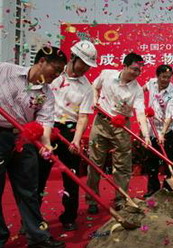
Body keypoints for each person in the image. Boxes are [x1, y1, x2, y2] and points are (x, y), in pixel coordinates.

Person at [0, 46, 67, 248]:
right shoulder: (5, 70)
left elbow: (46, 122)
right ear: (41, 62)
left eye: (59, 73)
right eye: (54, 70)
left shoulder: (47, 94)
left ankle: (37, 237)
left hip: (24, 140)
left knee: (29, 190)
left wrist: (46, 145)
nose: (55, 76)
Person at [37, 40, 97, 231]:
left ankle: (69, 217)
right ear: (73, 58)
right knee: (39, 176)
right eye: (83, 64)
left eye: (89, 66)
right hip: (45, 127)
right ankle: (31, 219)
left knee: (71, 178)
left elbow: (83, 117)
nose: (86, 69)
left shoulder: (86, 87)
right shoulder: (52, 75)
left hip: (68, 130)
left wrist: (76, 140)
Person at [86, 52, 150, 214]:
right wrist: (94, 99)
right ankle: (92, 199)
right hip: (101, 122)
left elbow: (140, 113)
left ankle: (120, 199)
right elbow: (94, 86)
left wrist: (146, 135)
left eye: (139, 70)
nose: (137, 73)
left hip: (122, 127)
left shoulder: (136, 89)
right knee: (95, 162)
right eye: (134, 69)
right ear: (125, 66)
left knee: (123, 165)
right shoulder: (107, 74)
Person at [143, 65, 173, 197]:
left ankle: (167, 189)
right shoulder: (152, 83)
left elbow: (170, 116)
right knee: (151, 161)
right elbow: (141, 90)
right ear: (157, 76)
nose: (166, 80)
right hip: (151, 129)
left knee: (169, 160)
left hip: (167, 131)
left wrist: (162, 134)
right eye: (163, 77)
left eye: (169, 77)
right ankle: (153, 188)